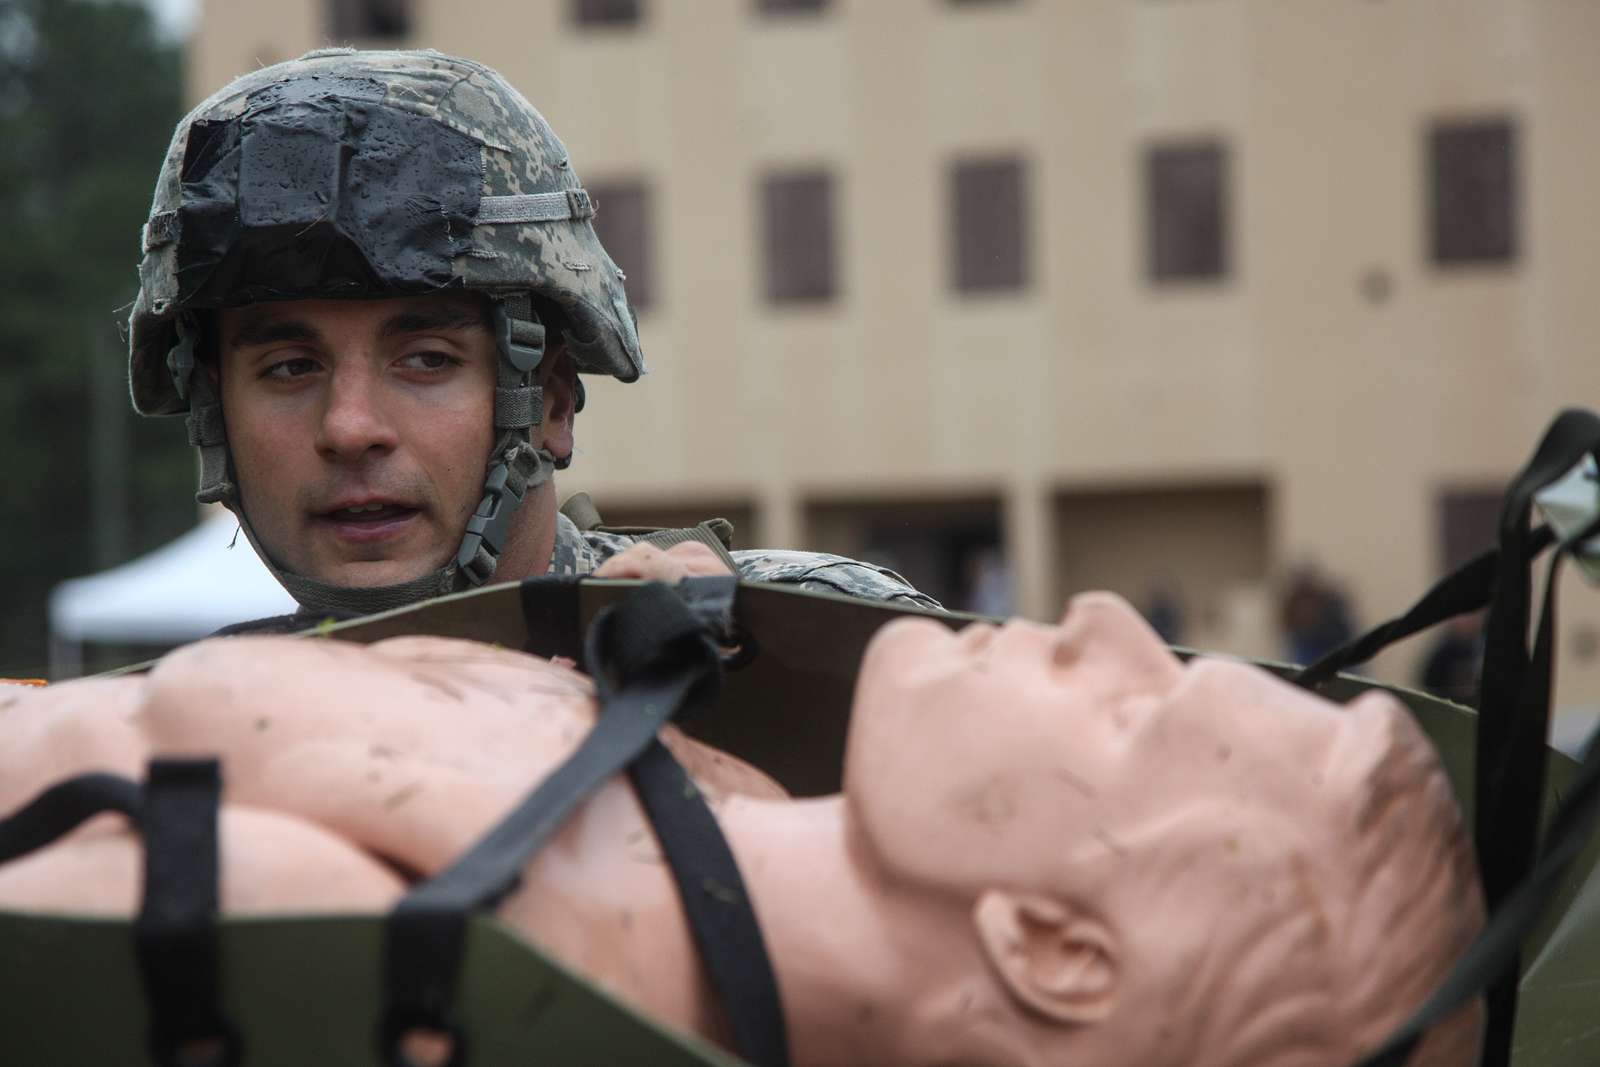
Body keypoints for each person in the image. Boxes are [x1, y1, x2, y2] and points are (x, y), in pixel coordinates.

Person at [0, 592, 1481, 1067]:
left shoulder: (387, 954)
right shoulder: (723, 792)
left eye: (1135, 709)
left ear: (1053, 950)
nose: (1104, 617)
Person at [126, 48, 937, 625]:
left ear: (548, 401)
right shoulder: (188, 742)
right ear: (213, 411)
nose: (349, 429)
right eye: (290, 366)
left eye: (426, 361)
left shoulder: (816, 647)